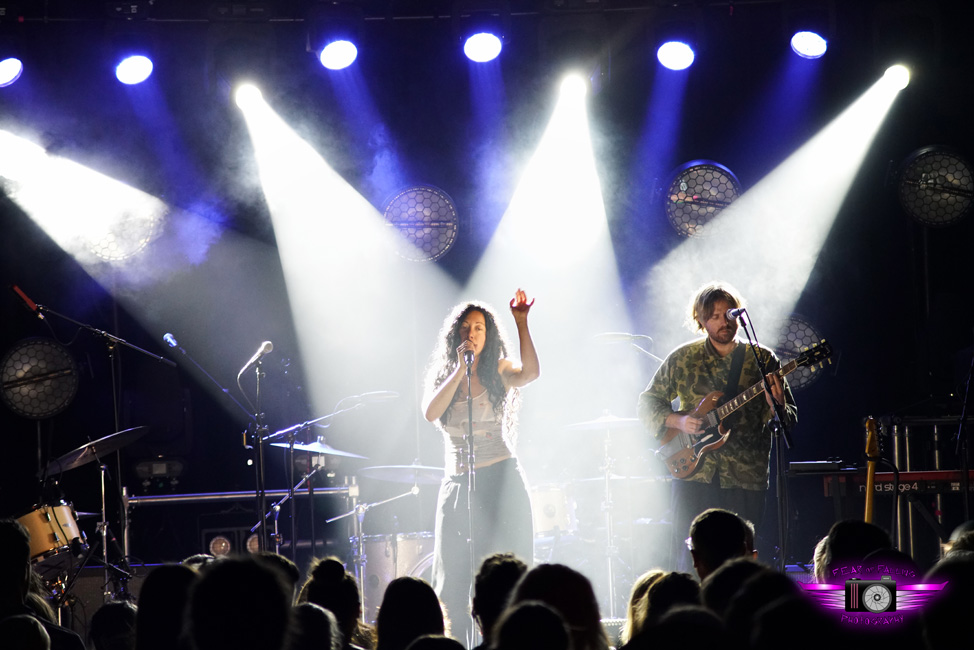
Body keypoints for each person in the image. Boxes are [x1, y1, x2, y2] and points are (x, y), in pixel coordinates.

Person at [637, 282, 797, 570]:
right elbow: (648, 403)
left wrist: (778, 404)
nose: (724, 322)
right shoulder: (683, 358)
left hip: (745, 475)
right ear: (700, 319)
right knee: (691, 558)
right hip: (692, 475)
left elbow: (789, 420)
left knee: (742, 560)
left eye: (729, 314)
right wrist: (680, 420)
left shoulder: (762, 359)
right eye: (714, 316)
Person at [422, 290, 540, 644]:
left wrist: (521, 322)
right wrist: (461, 369)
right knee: (451, 576)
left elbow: (531, 372)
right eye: (466, 327)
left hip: (501, 477)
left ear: (488, 337)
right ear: (456, 334)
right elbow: (430, 413)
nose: (472, 333)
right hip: (458, 481)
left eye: (480, 328)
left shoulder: (500, 369)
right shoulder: (442, 374)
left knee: (510, 570)